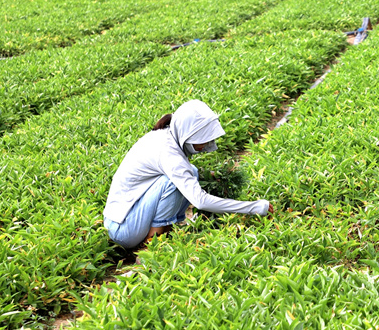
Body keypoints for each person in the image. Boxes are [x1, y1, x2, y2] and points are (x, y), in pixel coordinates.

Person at [103, 99, 273, 249]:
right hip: (123, 229)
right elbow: (201, 201)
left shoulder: (165, 136)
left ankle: (163, 231)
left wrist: (210, 175)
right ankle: (151, 244)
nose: (205, 145)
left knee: (192, 171)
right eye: (203, 140)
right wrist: (254, 207)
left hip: (125, 219)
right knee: (173, 182)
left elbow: (184, 172)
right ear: (187, 135)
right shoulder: (168, 153)